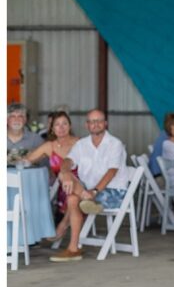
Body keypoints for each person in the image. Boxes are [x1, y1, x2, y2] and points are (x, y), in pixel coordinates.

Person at [50, 109, 130, 262]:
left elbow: (112, 171)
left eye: (99, 121)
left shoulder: (115, 143)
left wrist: (94, 191)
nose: (95, 124)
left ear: (105, 123)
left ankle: (73, 247)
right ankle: (74, 249)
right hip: (88, 193)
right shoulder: (82, 144)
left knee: (73, 199)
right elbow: (68, 161)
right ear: (87, 125)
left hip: (113, 192)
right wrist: (66, 172)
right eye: (92, 121)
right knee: (66, 179)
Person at [24, 111, 78, 244]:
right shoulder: (49, 146)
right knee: (68, 193)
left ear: (70, 126)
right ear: (52, 128)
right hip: (63, 189)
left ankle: (63, 224)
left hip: (83, 184)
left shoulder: (80, 143)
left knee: (73, 194)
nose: (61, 127)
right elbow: (26, 160)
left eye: (64, 124)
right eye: (57, 124)